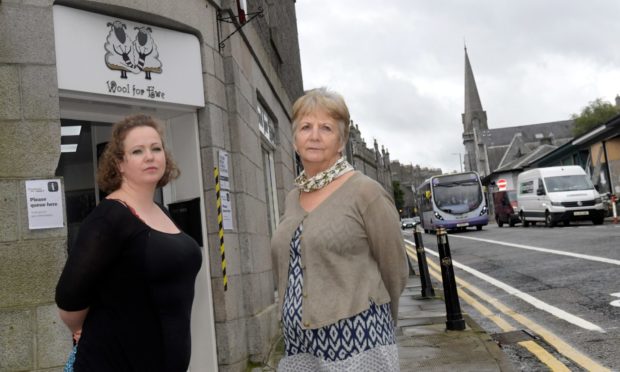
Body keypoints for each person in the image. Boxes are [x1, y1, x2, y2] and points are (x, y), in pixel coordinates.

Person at [271, 88, 409, 371]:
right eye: (306, 127)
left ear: (341, 141)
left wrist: (376, 318)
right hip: (298, 344)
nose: (314, 135)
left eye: (326, 128)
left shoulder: (365, 192)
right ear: (295, 140)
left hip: (358, 340)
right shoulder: (292, 198)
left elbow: (395, 269)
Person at [55, 114, 202, 371]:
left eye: (156, 148)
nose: (150, 156)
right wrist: (82, 329)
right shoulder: (110, 217)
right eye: (137, 151)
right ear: (119, 164)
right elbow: (68, 300)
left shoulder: (160, 211)